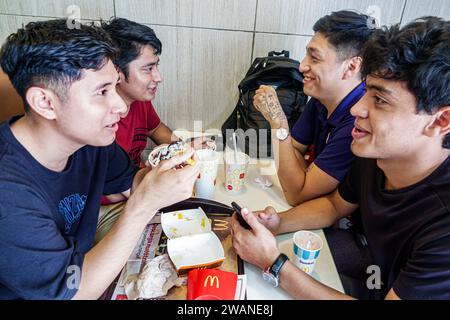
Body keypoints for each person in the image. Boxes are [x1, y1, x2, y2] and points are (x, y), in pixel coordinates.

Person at [231, 16, 450, 300]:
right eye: (367, 92)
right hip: (368, 267)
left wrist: (274, 264)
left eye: (380, 100)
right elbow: (335, 204)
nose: (358, 108)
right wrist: (277, 223)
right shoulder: (376, 154)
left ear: (440, 120)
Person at [0, 19, 200, 300]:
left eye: (115, 87)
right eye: (102, 92)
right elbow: (73, 294)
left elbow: (131, 181)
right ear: (45, 103)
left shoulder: (91, 142)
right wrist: (145, 204)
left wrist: (168, 170)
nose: (120, 106)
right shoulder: (8, 193)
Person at [253, 11, 375, 206]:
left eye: (315, 58)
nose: (302, 66)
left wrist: (278, 122)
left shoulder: (358, 122)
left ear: (351, 67)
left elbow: (296, 195)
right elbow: (293, 149)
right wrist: (302, 174)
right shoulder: (321, 98)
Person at [101, 18, 209, 168]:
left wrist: (183, 148)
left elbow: (156, 128)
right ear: (116, 72)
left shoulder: (140, 100)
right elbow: (109, 187)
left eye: (156, 67)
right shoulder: (100, 123)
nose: (159, 78)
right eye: (148, 69)